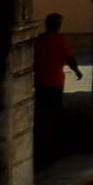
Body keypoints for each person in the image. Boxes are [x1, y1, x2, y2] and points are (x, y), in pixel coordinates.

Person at [34, 13, 82, 162]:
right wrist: (77, 71)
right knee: (54, 111)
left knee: (42, 109)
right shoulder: (59, 41)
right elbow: (69, 58)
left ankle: (41, 136)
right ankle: (52, 140)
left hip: (40, 81)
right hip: (55, 82)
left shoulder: (39, 40)